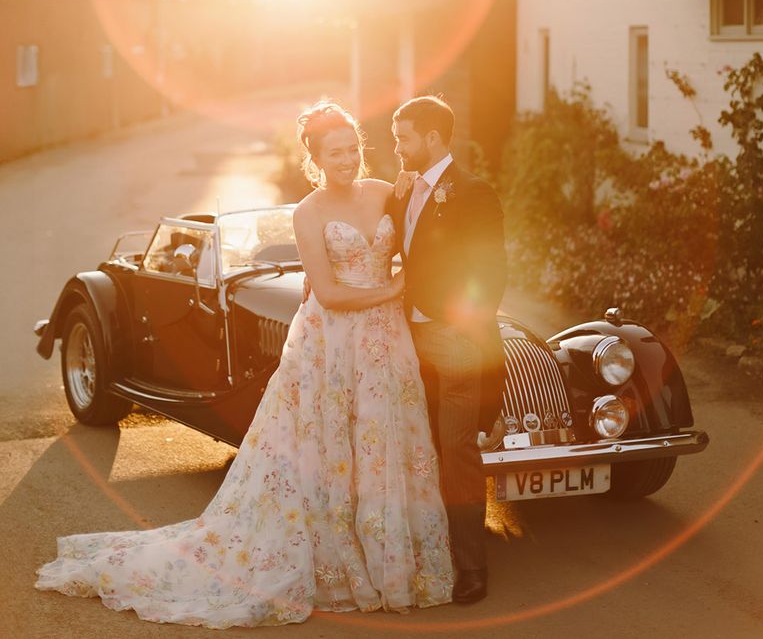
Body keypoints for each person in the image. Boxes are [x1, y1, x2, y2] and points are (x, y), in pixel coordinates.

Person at [35, 102, 453, 629]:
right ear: (316, 159)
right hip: (335, 340)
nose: (347, 160)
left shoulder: (386, 192)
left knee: (385, 439)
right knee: (331, 447)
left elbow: (425, 236)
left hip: (388, 341)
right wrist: (393, 288)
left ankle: (393, 558)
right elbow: (326, 291)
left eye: (353, 149)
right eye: (335, 153)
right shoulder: (309, 212)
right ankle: (339, 558)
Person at [386, 95, 507, 604]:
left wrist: (459, 326)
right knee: (408, 444)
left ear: (432, 138)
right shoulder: (402, 190)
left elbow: (492, 275)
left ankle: (471, 567)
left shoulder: (475, 192)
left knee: (456, 451)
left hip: (452, 340)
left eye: (404, 139)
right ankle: (413, 549)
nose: (397, 148)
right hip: (399, 338)